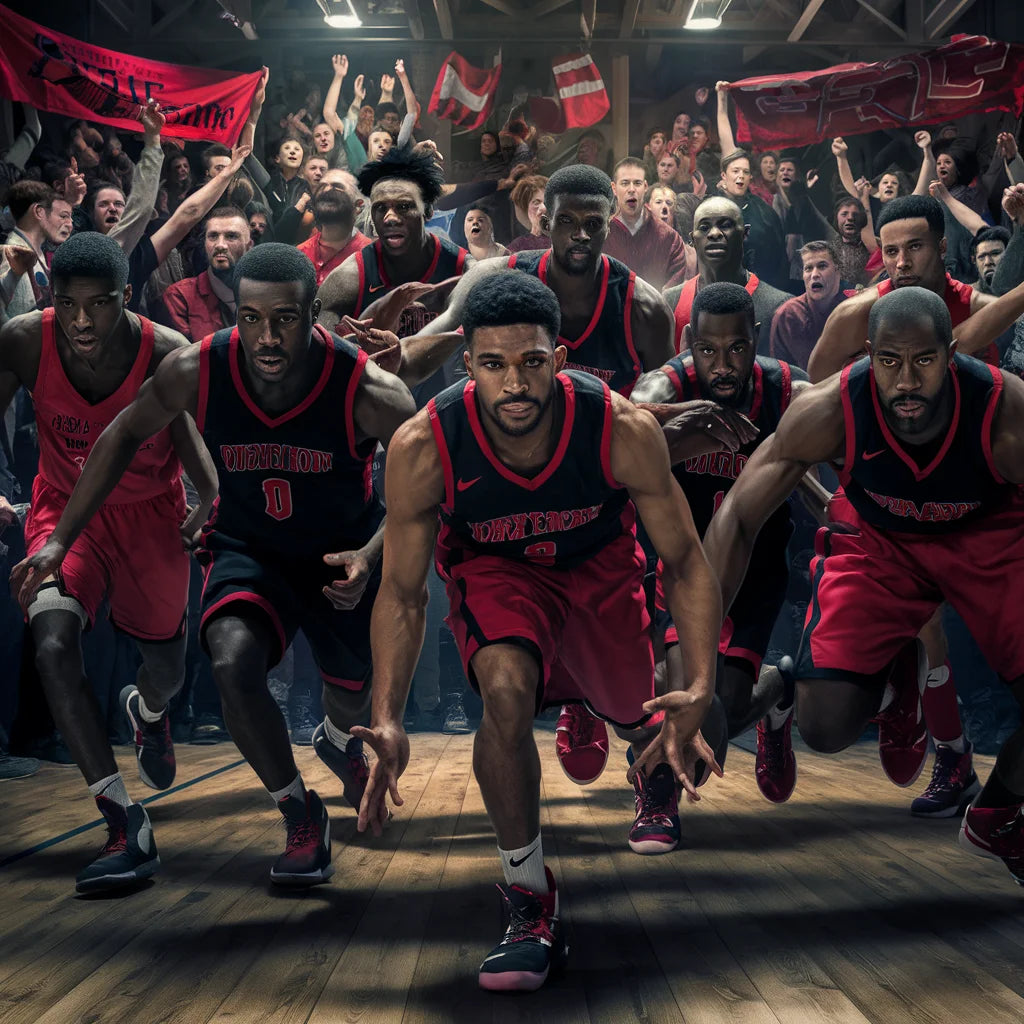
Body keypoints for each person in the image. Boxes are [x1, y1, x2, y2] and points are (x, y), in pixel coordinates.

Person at [352, 271, 724, 990]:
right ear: (468, 366)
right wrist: (388, 717)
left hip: (599, 571)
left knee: (637, 712)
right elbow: (400, 593)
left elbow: (683, 559)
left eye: (530, 363)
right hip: (496, 572)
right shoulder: (423, 445)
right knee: (504, 692)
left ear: (559, 360)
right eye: (493, 365)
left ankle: (605, 714)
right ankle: (528, 897)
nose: (513, 384)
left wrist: (702, 684)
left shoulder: (622, 427)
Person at [14, 244, 416, 886]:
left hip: (341, 558)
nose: (265, 335)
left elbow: (433, 485)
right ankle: (297, 811)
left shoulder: (368, 389)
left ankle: (337, 740)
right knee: (230, 661)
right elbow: (121, 431)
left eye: (283, 319)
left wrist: (371, 556)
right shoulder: (199, 366)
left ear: (313, 315)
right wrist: (62, 538)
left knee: (351, 694)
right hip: (249, 549)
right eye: (251, 317)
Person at [703, 287, 1024, 885]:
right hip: (882, 542)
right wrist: (701, 665)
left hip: (988, 539)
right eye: (889, 362)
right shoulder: (829, 408)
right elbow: (739, 516)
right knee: (823, 728)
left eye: (924, 361)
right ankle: (893, 672)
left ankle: (998, 811)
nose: (906, 381)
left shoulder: (1006, 412)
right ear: (868, 355)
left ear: (951, 353)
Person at [4, 232, 216, 893]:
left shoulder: (165, 350)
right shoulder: (21, 339)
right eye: (68, 305)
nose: (83, 322)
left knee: (166, 669)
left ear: (125, 298)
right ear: (50, 299)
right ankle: (122, 818)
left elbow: (192, 441)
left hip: (151, 519)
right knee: (52, 642)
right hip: (61, 519)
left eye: (99, 305)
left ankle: (148, 714)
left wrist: (207, 493)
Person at [633, 282, 809, 803]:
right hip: (681, 566)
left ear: (755, 339)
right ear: (688, 342)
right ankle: (658, 802)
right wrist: (664, 425)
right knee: (669, 703)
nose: (723, 365)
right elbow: (633, 412)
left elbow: (839, 420)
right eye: (708, 351)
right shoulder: (668, 384)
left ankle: (777, 688)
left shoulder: (786, 389)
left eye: (736, 348)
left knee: (723, 707)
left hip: (755, 572)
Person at [809, 195, 1024, 382]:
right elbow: (817, 389)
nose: (902, 262)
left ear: (942, 248)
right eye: (892, 251)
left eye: (914, 247)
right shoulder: (853, 315)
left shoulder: (983, 309)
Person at [315, 146, 470, 343]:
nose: (390, 218)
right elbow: (322, 351)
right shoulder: (349, 277)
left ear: (428, 212)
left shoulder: (463, 267)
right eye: (380, 208)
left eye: (404, 206)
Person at [665, 196, 790, 355]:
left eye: (725, 225)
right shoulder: (669, 302)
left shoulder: (780, 307)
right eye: (704, 227)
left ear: (745, 233)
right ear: (692, 239)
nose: (714, 233)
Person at [157, 207, 253, 342]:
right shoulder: (180, 296)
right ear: (205, 243)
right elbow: (182, 357)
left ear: (249, 246)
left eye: (231, 236)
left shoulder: (263, 294)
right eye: (213, 236)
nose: (220, 245)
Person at [604, 158, 689, 290]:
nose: (631, 189)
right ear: (614, 188)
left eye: (637, 183)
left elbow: (672, 293)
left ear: (645, 187)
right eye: (625, 183)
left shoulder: (670, 238)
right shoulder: (602, 235)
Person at [770, 241, 848, 371]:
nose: (814, 274)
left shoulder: (852, 309)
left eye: (822, 266)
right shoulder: (787, 314)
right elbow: (779, 371)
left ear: (837, 271)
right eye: (808, 268)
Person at [0, 181, 72, 320]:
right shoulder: (14, 254)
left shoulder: (35, 251)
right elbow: (18, 318)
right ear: (39, 212)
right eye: (62, 216)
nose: (69, 224)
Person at [296, 172, 370, 287]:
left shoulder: (372, 257)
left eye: (337, 187)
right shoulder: (299, 254)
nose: (327, 190)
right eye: (322, 187)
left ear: (358, 206)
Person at [506, 175, 550, 255]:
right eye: (536, 203)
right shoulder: (517, 247)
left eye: (547, 202)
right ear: (526, 209)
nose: (543, 208)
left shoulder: (566, 238)